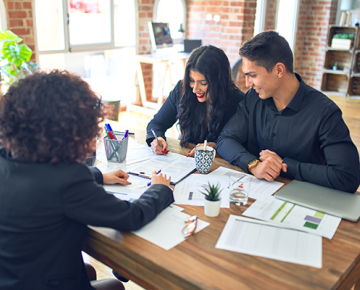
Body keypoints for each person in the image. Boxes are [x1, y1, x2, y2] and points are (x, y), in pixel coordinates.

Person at [0, 70, 174, 290]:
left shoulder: (7, 157)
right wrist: (160, 189)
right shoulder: (68, 179)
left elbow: (40, 180)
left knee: (89, 271)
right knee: (115, 286)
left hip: (12, 279)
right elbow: (131, 217)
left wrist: (100, 176)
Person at [217, 31, 360, 193]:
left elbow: (348, 177)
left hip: (306, 199)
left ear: (279, 70)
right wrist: (253, 164)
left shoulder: (325, 112)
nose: (248, 83)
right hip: (257, 193)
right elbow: (225, 139)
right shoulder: (254, 98)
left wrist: (285, 166)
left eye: (252, 75)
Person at [146, 45, 245, 156]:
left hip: (221, 164)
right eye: (192, 80)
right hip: (186, 160)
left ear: (219, 81)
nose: (194, 89)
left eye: (203, 83)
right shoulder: (182, 90)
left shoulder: (239, 101)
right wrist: (156, 138)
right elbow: (156, 123)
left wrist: (216, 146)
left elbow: (243, 144)